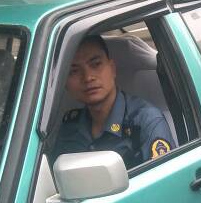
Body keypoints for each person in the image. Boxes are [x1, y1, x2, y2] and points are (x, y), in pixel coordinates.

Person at [53, 35, 175, 170]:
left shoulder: (145, 121)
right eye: (74, 71)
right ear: (65, 82)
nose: (87, 77)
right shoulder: (69, 127)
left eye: (96, 64)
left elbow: (164, 178)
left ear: (112, 69)